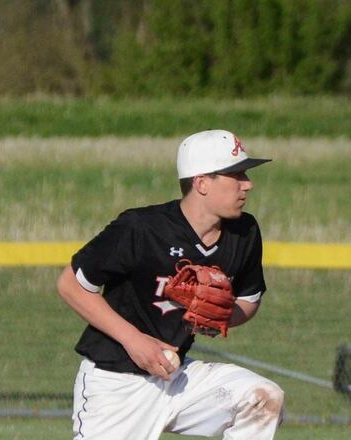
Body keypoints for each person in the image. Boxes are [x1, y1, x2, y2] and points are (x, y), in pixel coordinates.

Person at [56, 129, 284, 439]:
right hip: (116, 382)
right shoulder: (141, 228)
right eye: (236, 174)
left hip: (178, 379)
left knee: (262, 398)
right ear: (201, 182)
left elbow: (249, 298)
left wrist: (220, 318)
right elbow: (71, 285)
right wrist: (134, 340)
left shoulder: (244, 233)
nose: (248, 184)